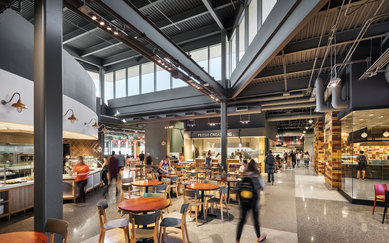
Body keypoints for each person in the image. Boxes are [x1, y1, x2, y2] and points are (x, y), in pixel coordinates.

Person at [236, 160, 266, 243]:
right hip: (254, 201)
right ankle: (259, 237)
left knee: (241, 221)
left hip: (243, 201)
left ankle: (237, 240)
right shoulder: (257, 176)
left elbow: (240, 187)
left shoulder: (244, 174)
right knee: (255, 220)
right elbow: (263, 187)